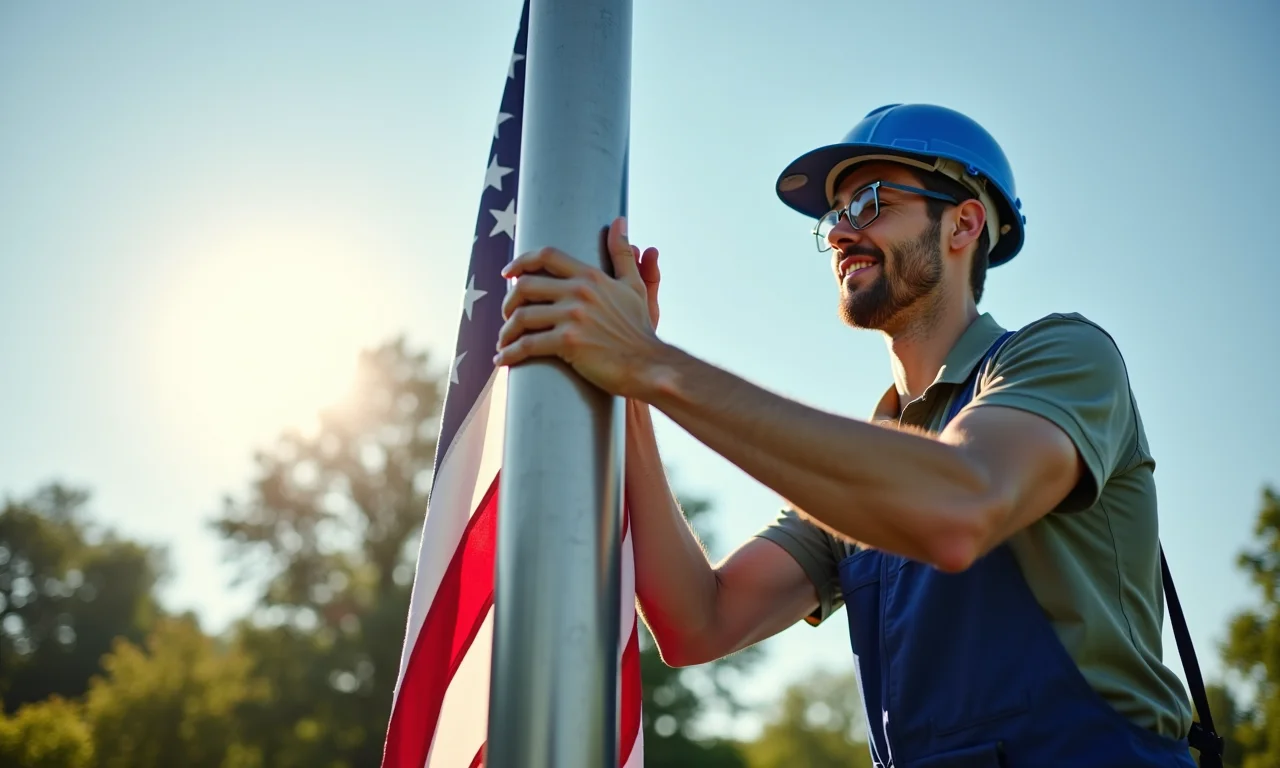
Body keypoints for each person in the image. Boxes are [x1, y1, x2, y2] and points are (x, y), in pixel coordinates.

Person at [492, 103, 1218, 767]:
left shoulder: (1062, 356)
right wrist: (628, 386)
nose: (841, 229)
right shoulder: (869, 468)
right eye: (836, 213)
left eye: (872, 202)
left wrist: (651, 365)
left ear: (964, 225)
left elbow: (961, 506)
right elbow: (697, 621)